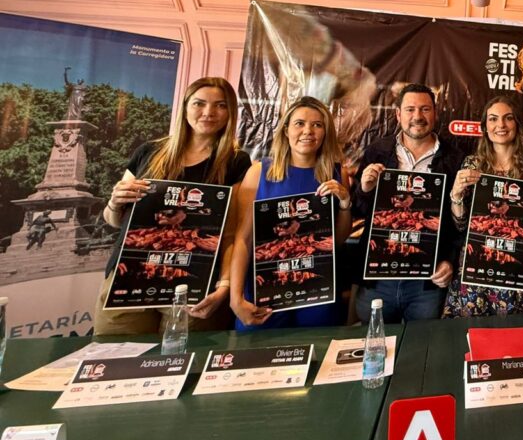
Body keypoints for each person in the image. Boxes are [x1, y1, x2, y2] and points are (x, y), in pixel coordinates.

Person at [94, 77, 251, 334]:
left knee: (184, 354)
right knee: (114, 351)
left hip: (195, 281)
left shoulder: (236, 162)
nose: (209, 112)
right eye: (199, 103)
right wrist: (114, 202)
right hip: (129, 275)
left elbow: (231, 233)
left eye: (220, 105)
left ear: (230, 112)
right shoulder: (148, 152)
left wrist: (224, 285)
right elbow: (114, 221)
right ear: (185, 107)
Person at [229, 96, 352, 330]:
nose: (308, 131)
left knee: (319, 348)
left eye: (317, 125)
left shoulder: (337, 173)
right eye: (299, 123)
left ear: (325, 132)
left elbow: (337, 239)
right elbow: (243, 239)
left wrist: (345, 202)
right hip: (267, 288)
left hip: (317, 289)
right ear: (286, 130)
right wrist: (235, 298)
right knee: (256, 347)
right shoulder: (259, 173)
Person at [353, 84, 465, 322]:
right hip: (379, 278)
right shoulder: (377, 151)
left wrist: (450, 260)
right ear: (398, 114)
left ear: (435, 113)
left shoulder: (454, 158)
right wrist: (364, 189)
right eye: (410, 109)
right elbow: (359, 210)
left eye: (425, 109)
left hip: (426, 282)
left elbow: (460, 222)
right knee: (376, 340)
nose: (417, 116)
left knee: (424, 343)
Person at [442, 96, 523, 316]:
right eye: (493, 119)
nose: (501, 125)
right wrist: (456, 195)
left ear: (517, 124)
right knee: (470, 332)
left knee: (518, 333)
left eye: (508, 118)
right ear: (485, 127)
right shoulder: (472, 164)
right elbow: (461, 224)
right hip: (477, 264)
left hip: (517, 262)